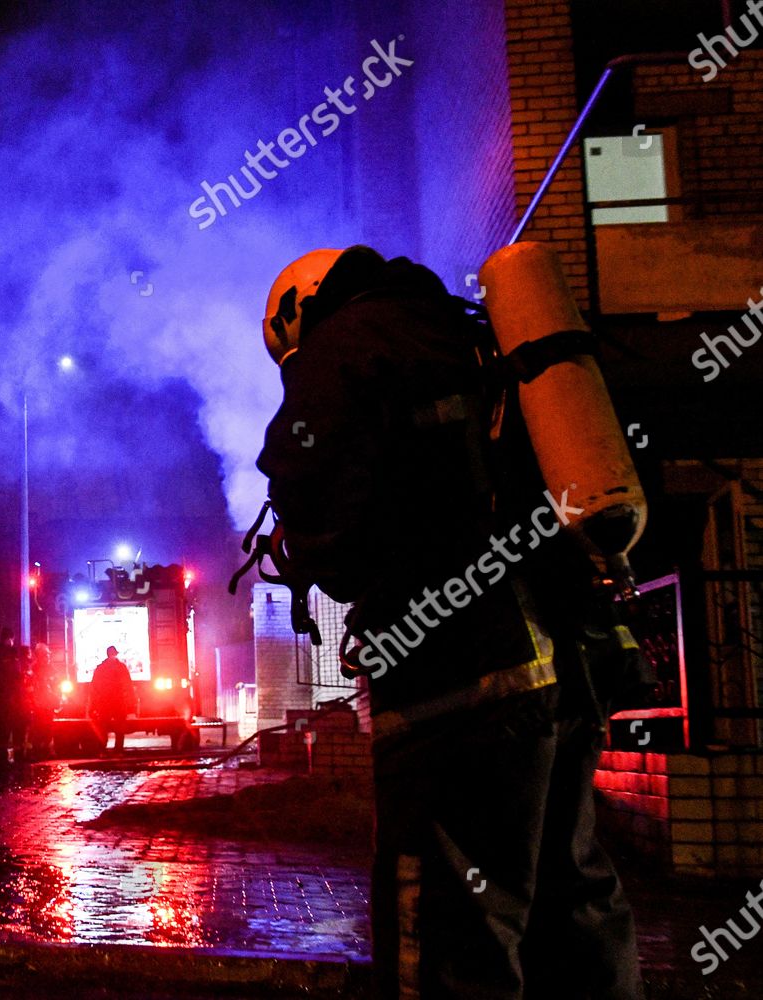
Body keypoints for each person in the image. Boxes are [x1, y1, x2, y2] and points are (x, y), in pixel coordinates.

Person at [254, 246, 645, 998]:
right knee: (574, 900)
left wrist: (307, 548)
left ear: (295, 308)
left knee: (447, 921)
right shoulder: (474, 331)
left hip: (459, 680)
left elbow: (309, 485)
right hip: (567, 664)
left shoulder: (347, 341)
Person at [0, 628, 28, 768]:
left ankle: (6, 757)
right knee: (6, 728)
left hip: (6, 699)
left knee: (8, 729)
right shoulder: (3, 654)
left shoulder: (2, 653)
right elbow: (8, 677)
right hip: (6, 700)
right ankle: (5, 758)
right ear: (9, 638)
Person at [88, 646, 136, 756]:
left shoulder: (100, 668)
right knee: (119, 726)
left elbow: (94, 687)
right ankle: (118, 750)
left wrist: (93, 704)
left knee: (103, 727)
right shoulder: (121, 667)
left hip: (104, 702)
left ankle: (103, 750)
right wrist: (131, 703)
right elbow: (128, 685)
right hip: (118, 701)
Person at [24, 642, 60, 760]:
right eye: (45, 655)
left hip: (48, 704)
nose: (47, 658)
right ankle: (35, 751)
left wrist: (58, 698)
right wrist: (31, 702)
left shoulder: (52, 669)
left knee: (48, 727)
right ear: (39, 656)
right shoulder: (33, 670)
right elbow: (28, 688)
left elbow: (57, 685)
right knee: (37, 728)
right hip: (37, 705)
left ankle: (47, 750)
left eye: (48, 655)